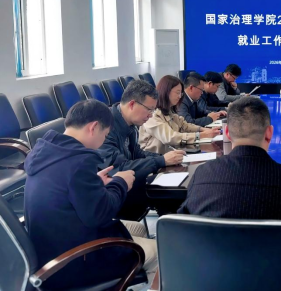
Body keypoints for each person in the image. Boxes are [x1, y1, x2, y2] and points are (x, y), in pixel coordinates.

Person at [178, 97, 281, 284]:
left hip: (213, 281)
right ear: (269, 133)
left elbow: (183, 232)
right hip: (275, 282)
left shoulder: (202, 174)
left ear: (227, 132)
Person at [24, 100, 158, 289]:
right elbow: (102, 213)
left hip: (50, 249)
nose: (103, 141)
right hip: (73, 262)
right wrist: (120, 182)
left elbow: (65, 189)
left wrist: (95, 183)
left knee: (138, 229)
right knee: (159, 252)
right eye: (105, 135)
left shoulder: (47, 150)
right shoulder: (79, 161)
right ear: (93, 127)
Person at [99, 80, 185, 173]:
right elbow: (117, 169)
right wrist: (161, 161)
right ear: (132, 104)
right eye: (149, 109)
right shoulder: (104, 127)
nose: (151, 115)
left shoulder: (130, 123)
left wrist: (165, 157)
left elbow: (137, 154)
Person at [139, 75, 220, 154]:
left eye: (181, 93)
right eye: (178, 92)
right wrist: (201, 135)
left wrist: (203, 130)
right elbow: (171, 137)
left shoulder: (169, 111)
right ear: (166, 91)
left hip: (172, 154)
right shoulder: (151, 115)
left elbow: (185, 125)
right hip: (155, 158)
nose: (180, 96)